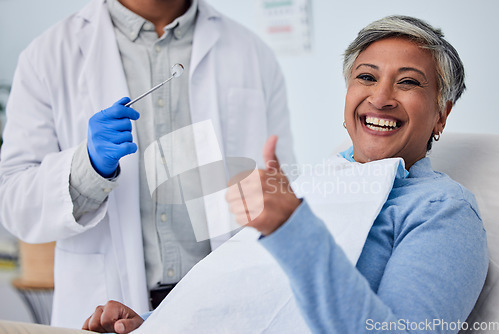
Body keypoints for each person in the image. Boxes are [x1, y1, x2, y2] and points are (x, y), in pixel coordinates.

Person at [83, 15, 488, 334]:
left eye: (408, 83)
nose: (380, 98)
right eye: (366, 76)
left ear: (442, 113)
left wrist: (295, 232)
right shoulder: (310, 184)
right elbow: (249, 299)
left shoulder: (442, 211)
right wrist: (159, 326)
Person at [0, 0, 295, 328]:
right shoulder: (48, 56)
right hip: (109, 314)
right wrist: (88, 169)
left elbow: (283, 188)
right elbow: (14, 203)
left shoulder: (252, 53)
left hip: (228, 311)